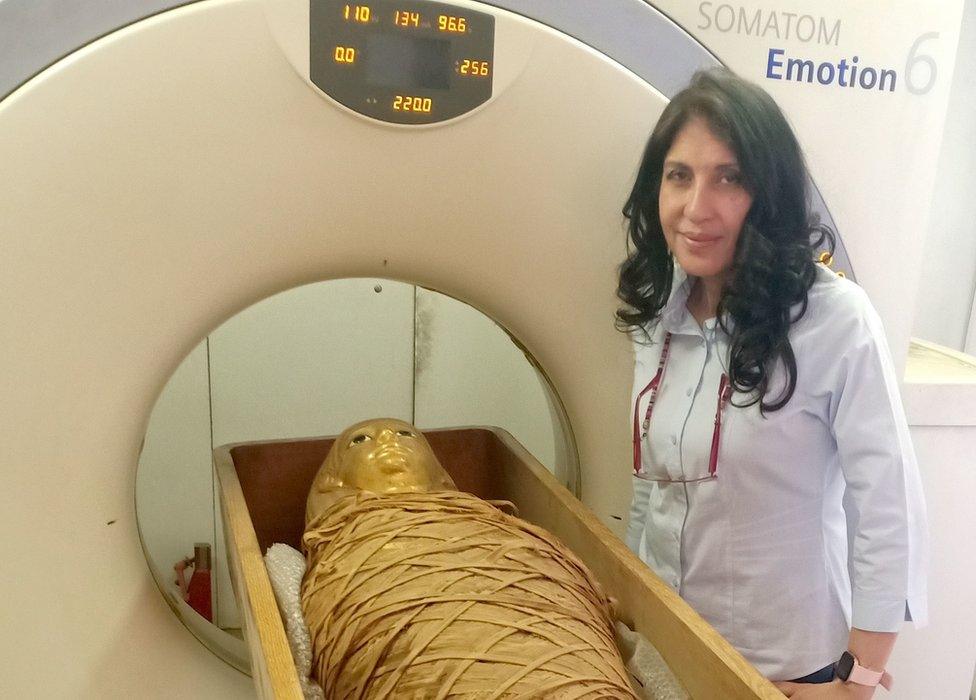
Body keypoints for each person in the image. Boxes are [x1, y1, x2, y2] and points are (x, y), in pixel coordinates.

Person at [617, 69, 927, 698]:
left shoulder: (834, 320)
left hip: (782, 670)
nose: (696, 207)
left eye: (729, 178)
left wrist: (856, 681)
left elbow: (888, 511)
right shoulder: (661, 314)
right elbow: (653, 483)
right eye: (679, 176)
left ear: (770, 192)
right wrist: (627, 607)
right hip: (666, 651)